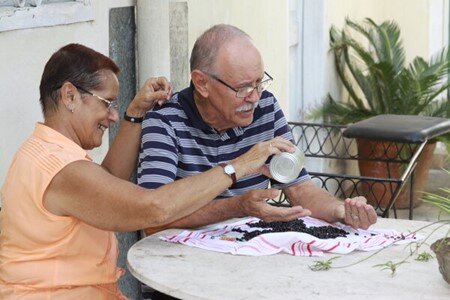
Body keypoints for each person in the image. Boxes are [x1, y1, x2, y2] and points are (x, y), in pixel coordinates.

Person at [0, 43, 299, 299]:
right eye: (108, 103)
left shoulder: (47, 153)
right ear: (70, 96)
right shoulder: (61, 169)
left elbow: (109, 182)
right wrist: (238, 166)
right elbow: (154, 208)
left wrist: (136, 114)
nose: (113, 116)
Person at [138, 24, 378, 235]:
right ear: (202, 83)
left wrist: (338, 210)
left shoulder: (266, 108)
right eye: (242, 88)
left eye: (259, 82)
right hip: (177, 265)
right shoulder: (165, 121)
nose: (254, 97)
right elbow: (152, 220)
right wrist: (235, 206)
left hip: (250, 254)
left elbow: (299, 188)